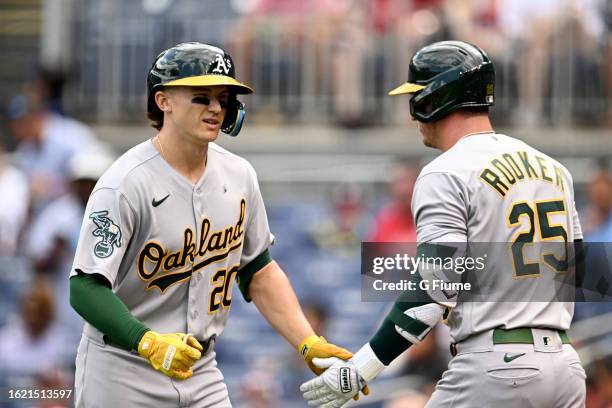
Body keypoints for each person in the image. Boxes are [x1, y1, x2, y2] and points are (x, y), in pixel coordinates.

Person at [68, 42, 362, 407]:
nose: (216, 108)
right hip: (124, 369)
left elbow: (258, 270)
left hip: (202, 369)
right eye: (201, 96)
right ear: (164, 101)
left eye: (223, 98)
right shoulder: (125, 183)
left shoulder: (239, 175)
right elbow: (84, 287)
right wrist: (146, 341)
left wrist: (308, 342)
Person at [301, 41, 586, 407]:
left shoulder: (445, 171)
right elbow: (576, 271)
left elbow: (435, 288)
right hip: (565, 367)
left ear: (436, 98)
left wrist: (361, 368)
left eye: (417, 96)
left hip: (498, 366)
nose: (413, 112)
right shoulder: (554, 169)